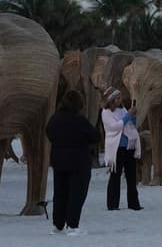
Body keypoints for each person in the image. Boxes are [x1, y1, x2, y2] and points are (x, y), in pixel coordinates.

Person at [47, 89, 98, 236]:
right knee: (76, 194)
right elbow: (95, 136)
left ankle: (58, 225)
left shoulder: (55, 119)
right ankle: (72, 225)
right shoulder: (80, 121)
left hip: (59, 161)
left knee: (60, 194)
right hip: (78, 162)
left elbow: (49, 132)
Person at [101, 86, 142, 211]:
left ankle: (134, 203)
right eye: (117, 98)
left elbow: (129, 124)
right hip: (116, 148)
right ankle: (112, 204)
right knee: (115, 176)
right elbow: (114, 127)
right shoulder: (106, 112)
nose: (120, 100)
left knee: (131, 176)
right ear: (111, 100)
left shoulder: (122, 109)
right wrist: (127, 116)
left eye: (120, 97)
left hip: (129, 146)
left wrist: (132, 116)